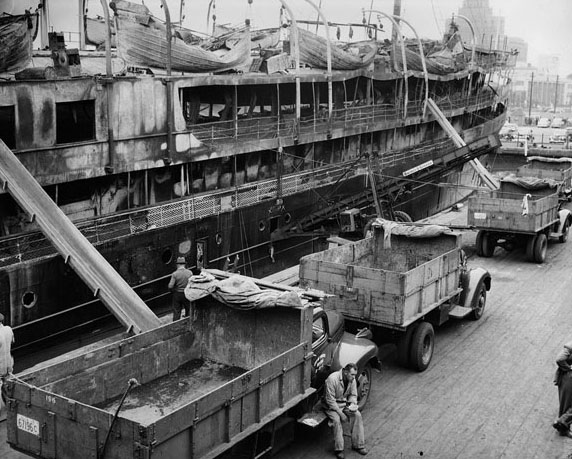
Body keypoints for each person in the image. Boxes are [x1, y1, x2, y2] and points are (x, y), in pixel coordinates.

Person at [323, 363, 368, 458]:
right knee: (336, 420)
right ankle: (339, 449)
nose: (354, 377)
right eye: (352, 375)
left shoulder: (352, 379)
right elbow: (330, 401)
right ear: (346, 372)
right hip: (331, 406)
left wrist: (353, 404)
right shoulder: (332, 379)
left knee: (357, 415)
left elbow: (353, 394)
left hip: (344, 403)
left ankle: (358, 445)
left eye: (355, 375)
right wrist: (341, 414)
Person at [553, 341, 572, 437]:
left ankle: (562, 422)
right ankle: (563, 428)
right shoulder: (570, 346)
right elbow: (560, 359)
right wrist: (569, 368)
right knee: (566, 403)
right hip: (568, 378)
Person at [0, 313, 14, 421]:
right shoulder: (9, 329)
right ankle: (12, 411)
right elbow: (12, 342)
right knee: (8, 389)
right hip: (8, 366)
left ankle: (3, 417)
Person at [168, 257, 192, 321]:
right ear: (184, 264)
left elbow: (170, 286)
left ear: (178, 265)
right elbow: (192, 283)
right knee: (189, 309)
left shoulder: (175, 274)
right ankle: (188, 323)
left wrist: (172, 292)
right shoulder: (189, 273)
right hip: (187, 294)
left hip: (177, 294)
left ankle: (176, 326)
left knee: (177, 311)